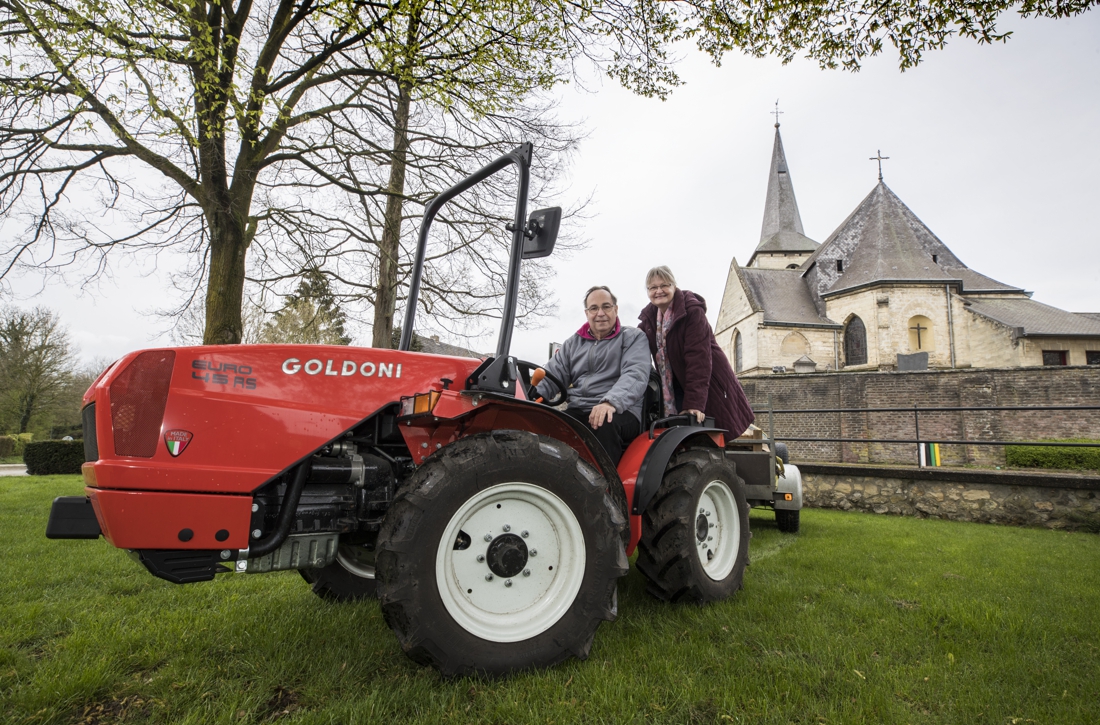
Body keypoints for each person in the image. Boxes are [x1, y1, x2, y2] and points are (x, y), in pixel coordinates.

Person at [538, 285, 651, 465]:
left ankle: (605, 488)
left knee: (604, 423)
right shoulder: (573, 343)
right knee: (550, 425)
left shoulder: (633, 337)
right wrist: (531, 396)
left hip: (621, 409)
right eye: (594, 308)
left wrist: (610, 402)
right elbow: (553, 374)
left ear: (616, 309)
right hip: (581, 407)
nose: (600, 313)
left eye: (606, 306)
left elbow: (635, 374)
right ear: (587, 313)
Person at [637, 266, 755, 437]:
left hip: (706, 383)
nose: (659, 291)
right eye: (653, 287)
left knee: (706, 435)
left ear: (674, 286)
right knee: (680, 434)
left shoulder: (692, 312)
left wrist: (694, 404)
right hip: (675, 382)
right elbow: (634, 338)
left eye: (664, 285)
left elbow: (698, 360)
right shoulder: (650, 319)